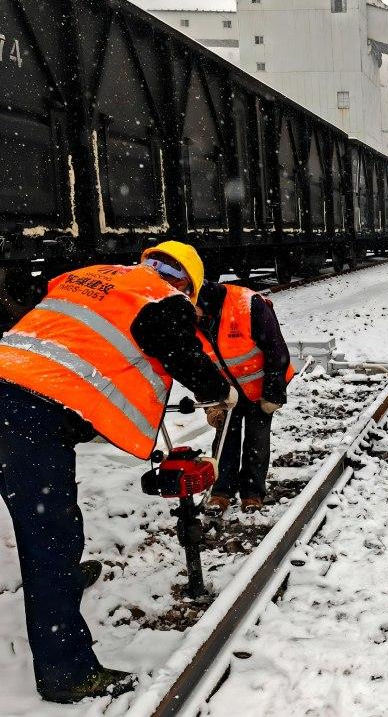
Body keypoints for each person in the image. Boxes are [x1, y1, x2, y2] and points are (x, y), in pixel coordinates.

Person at [0, 241, 236, 703]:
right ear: (186, 282)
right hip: (28, 414)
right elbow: (180, 352)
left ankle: (63, 576)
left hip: (9, 386)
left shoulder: (96, 277)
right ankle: (67, 673)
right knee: (50, 535)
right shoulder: (159, 299)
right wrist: (215, 392)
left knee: (38, 517)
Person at [199, 281, 294, 514]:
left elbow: (277, 350)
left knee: (257, 439)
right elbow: (198, 368)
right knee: (224, 440)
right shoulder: (190, 319)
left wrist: (272, 394)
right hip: (227, 393)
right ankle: (221, 491)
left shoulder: (247, 304)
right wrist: (210, 405)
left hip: (261, 388)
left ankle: (252, 493)